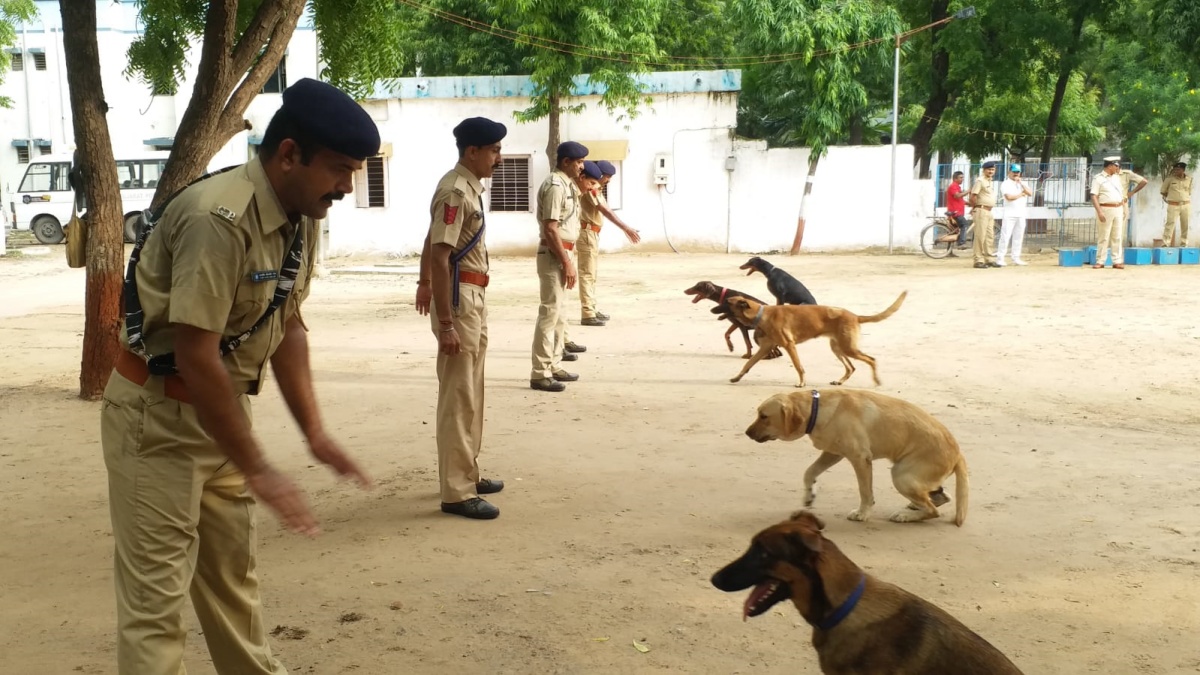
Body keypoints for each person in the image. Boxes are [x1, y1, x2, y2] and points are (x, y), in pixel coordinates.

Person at [100, 78, 376, 674]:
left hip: (221, 418)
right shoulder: (217, 219)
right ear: (288, 154)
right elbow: (197, 354)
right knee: (156, 610)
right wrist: (260, 469)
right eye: (339, 169)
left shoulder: (298, 212)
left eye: (354, 171)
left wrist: (316, 435)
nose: (346, 187)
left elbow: (288, 325)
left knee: (233, 588)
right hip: (160, 421)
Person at [414, 117, 508, 520]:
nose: (498, 159)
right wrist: (446, 322)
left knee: (473, 391)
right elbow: (439, 252)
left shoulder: (469, 188)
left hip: (472, 294)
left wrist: (422, 282)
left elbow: (432, 239)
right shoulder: (456, 191)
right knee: (458, 395)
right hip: (459, 299)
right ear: (472, 151)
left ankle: (467, 470)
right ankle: (456, 490)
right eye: (493, 150)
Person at [530, 141, 588, 392]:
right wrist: (566, 261)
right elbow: (550, 227)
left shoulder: (567, 185)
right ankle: (539, 372)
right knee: (550, 313)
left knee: (560, 313)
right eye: (578, 162)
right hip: (555, 253)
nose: (582, 167)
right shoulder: (555, 185)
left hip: (564, 251)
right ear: (566, 162)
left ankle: (553, 364)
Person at [574, 159, 642, 325]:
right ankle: (588, 313)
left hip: (592, 232)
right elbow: (605, 210)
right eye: (607, 177)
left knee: (592, 274)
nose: (608, 181)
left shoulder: (596, 186)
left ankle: (591, 307)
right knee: (587, 274)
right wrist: (625, 227)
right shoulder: (592, 188)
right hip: (587, 232)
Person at [1090, 156, 1147, 269]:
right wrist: (1099, 212)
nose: (1118, 168)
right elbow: (1093, 196)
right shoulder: (1098, 178)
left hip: (1118, 208)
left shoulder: (1116, 178)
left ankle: (1117, 260)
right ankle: (1100, 260)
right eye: (1116, 166)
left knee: (1117, 236)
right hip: (1105, 208)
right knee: (1104, 236)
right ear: (1110, 166)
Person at [997, 163, 1033, 266]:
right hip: (1009, 213)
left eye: (1017, 172)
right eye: (1014, 172)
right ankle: (1000, 258)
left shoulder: (1022, 183)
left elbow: (1030, 193)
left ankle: (1016, 257)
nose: (1016, 174)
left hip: (1021, 213)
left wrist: (1021, 184)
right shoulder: (1005, 184)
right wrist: (1021, 194)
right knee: (1005, 236)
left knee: (1019, 236)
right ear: (1009, 172)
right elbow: (1009, 197)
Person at [969, 161, 999, 269]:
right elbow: (973, 196)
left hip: (989, 211)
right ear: (984, 170)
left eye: (992, 169)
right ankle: (978, 260)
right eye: (989, 169)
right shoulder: (980, 181)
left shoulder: (990, 181)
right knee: (980, 236)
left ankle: (989, 259)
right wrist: (974, 208)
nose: (991, 171)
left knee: (989, 237)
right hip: (981, 210)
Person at [1161, 161, 1193, 247]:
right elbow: (1163, 191)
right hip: (1173, 205)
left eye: (1178, 169)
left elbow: (1189, 192)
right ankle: (1166, 243)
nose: (1176, 171)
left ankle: (1184, 244)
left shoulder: (1189, 179)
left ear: (1183, 170)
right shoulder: (1169, 179)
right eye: (1175, 169)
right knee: (1170, 224)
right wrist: (1173, 198)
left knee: (1185, 225)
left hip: (1186, 205)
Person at [945, 170, 969, 249]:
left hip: (956, 212)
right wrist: (968, 191)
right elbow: (957, 196)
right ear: (955, 179)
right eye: (961, 177)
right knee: (964, 225)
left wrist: (970, 204)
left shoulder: (957, 187)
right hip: (956, 212)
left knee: (953, 232)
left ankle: (949, 251)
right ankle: (961, 243)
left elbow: (960, 200)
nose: (962, 179)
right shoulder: (953, 186)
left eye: (963, 177)